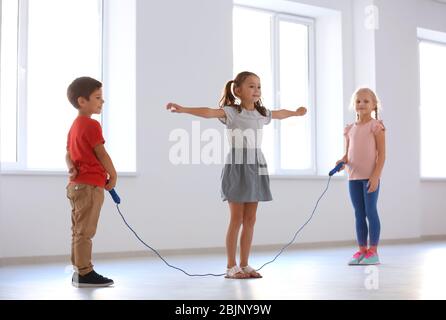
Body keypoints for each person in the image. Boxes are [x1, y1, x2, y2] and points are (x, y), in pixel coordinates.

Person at [167, 71, 307, 278]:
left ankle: (245, 264)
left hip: (256, 166)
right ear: (238, 90)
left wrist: (295, 113)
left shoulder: (261, 113)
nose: (256, 90)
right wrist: (183, 109)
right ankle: (231, 266)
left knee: (251, 219)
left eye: (258, 86)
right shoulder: (232, 112)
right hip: (237, 166)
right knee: (236, 219)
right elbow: (209, 112)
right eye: (251, 86)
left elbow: (279, 113)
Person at [66, 76, 117, 287]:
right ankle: (85, 273)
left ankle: (79, 270)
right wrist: (113, 174)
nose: (101, 102)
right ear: (82, 101)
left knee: (78, 230)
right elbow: (101, 153)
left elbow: (68, 153)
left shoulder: (75, 126)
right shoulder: (91, 124)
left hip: (75, 186)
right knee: (85, 231)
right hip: (89, 186)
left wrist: (71, 167)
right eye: (97, 97)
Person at [336, 87, 386, 265]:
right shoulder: (349, 129)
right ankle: (361, 251)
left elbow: (381, 155)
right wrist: (342, 162)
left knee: (370, 211)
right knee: (359, 213)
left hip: (370, 177)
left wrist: (375, 176)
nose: (361, 104)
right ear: (354, 105)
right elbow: (347, 155)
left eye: (366, 101)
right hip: (353, 178)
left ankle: (373, 251)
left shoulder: (376, 126)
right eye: (358, 101)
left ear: (374, 105)